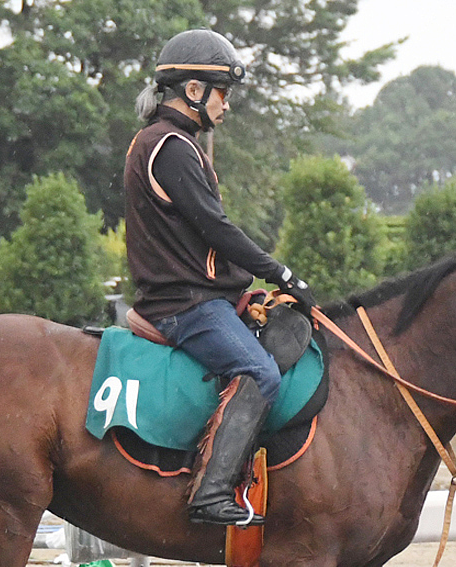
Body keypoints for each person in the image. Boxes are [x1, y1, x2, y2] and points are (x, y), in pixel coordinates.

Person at [124, 28, 317, 527]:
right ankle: (210, 492)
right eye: (222, 93)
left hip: (197, 294)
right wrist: (282, 273)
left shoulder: (169, 143)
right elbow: (217, 228)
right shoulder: (171, 148)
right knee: (259, 372)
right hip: (185, 304)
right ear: (193, 91)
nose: (226, 105)